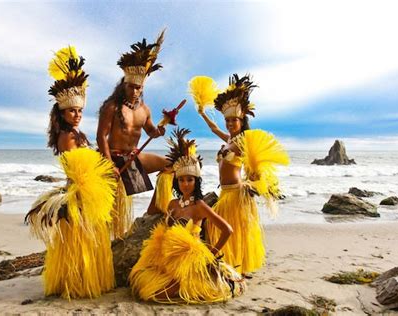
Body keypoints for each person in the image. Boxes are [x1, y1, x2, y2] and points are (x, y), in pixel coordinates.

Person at [25, 46, 117, 299]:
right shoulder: (67, 136)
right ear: (62, 113)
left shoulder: (77, 134)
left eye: (79, 111)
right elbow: (77, 170)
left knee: (88, 239)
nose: (77, 115)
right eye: (72, 111)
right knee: (80, 241)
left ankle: (83, 281)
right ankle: (77, 283)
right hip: (79, 195)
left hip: (86, 193)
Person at [189, 74, 290, 276]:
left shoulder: (245, 141)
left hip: (237, 194)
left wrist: (253, 185)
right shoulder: (228, 139)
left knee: (237, 230)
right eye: (227, 120)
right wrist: (202, 113)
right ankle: (230, 263)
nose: (229, 123)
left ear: (241, 118)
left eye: (233, 120)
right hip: (225, 193)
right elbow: (214, 128)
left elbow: (255, 168)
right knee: (222, 229)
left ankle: (239, 268)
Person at [129, 128, 245, 303]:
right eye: (181, 180)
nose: (185, 184)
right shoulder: (172, 204)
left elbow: (227, 230)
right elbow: (160, 219)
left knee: (158, 294)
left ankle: (187, 284)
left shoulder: (200, 206)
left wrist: (211, 254)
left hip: (190, 258)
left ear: (196, 181)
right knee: (140, 284)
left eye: (190, 180)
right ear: (177, 181)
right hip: (167, 256)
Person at [97, 30, 174, 239]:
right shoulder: (112, 107)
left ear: (142, 88)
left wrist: (159, 131)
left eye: (138, 88)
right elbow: (101, 137)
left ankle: (153, 211)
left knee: (171, 165)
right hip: (112, 157)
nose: (134, 91)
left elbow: (150, 131)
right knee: (109, 209)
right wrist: (108, 163)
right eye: (131, 87)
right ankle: (107, 237)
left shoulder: (144, 110)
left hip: (133, 156)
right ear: (124, 85)